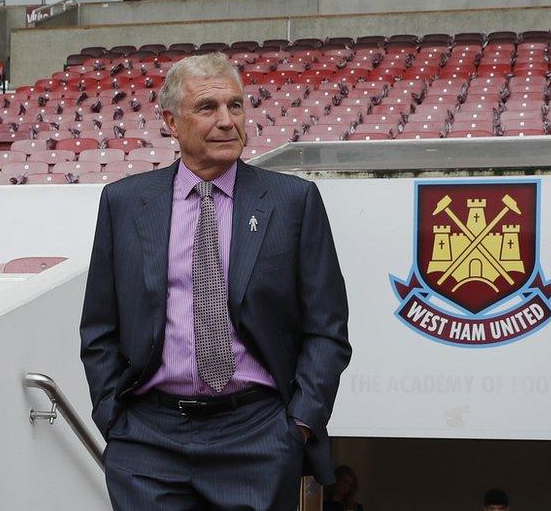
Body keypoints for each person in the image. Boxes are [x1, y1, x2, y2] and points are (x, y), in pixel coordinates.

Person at [80, 53, 351, 510]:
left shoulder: (293, 201)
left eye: (236, 106)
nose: (227, 121)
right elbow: (99, 327)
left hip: (256, 437)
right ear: (171, 121)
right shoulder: (124, 204)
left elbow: (327, 328)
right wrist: (114, 418)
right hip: (147, 439)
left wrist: (298, 424)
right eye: (208, 108)